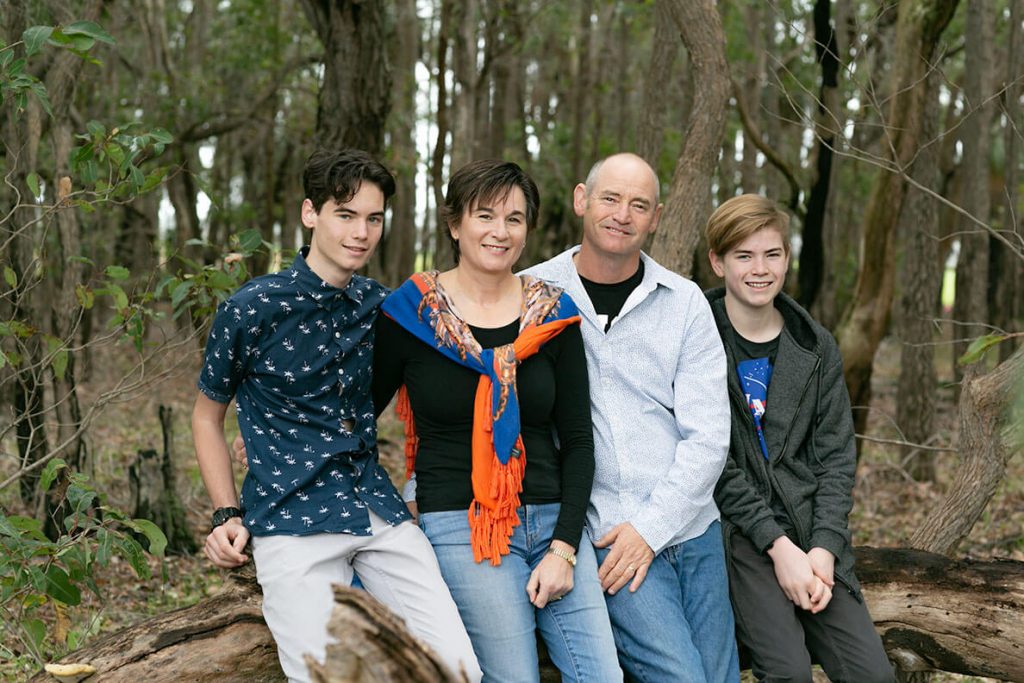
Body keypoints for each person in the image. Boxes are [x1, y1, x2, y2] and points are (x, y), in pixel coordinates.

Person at [192, 149, 481, 683]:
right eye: (346, 215)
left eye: (373, 219)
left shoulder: (383, 307)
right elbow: (207, 417)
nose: (361, 233)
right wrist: (225, 514)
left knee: (456, 670)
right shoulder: (251, 308)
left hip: (375, 511)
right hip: (289, 517)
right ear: (310, 214)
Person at [373, 159, 622, 682]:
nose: (500, 231)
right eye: (484, 215)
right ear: (454, 225)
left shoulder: (552, 314)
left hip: (554, 522)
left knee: (602, 676)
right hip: (463, 526)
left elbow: (578, 440)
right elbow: (355, 417)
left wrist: (564, 548)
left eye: (514, 218)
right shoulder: (411, 313)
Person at [523, 153, 739, 682]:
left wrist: (651, 528)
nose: (623, 214)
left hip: (692, 529)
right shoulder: (531, 293)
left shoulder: (685, 302)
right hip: (604, 536)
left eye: (639, 205)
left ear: (656, 216)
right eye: (610, 199)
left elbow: (709, 436)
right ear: (581, 200)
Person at [705, 194, 894, 683]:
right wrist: (777, 547)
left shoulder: (815, 346)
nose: (759, 269)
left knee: (871, 674)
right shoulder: (698, 338)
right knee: (788, 671)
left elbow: (835, 459)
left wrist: (824, 549)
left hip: (811, 532)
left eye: (772, 254)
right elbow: (711, 461)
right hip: (739, 533)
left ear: (788, 259)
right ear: (718, 261)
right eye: (744, 256)